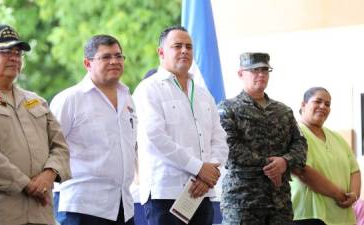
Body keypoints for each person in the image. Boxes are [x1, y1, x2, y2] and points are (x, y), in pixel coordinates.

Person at [0, 24, 71, 225]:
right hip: (1, 214)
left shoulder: (36, 101)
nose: (14, 57)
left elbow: (61, 147)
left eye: (18, 53)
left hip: (41, 214)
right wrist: (28, 185)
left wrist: (49, 175)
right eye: (5, 51)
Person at [132, 25, 228, 225]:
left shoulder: (203, 93)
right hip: (165, 193)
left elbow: (219, 138)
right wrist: (199, 168)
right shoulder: (148, 89)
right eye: (177, 46)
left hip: (201, 191)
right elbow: (155, 138)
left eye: (189, 47)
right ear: (161, 52)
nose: (185, 51)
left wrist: (208, 174)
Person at [50, 34, 137, 225]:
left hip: (123, 205)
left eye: (118, 56)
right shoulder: (70, 99)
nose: (114, 61)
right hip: (83, 206)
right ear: (87, 63)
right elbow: (48, 148)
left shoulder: (128, 98)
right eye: (106, 57)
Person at [218, 52, 307, 225]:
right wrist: (269, 164)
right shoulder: (227, 108)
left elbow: (300, 144)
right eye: (255, 70)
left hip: (279, 202)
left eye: (265, 70)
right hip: (242, 201)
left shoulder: (284, 111)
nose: (261, 74)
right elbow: (229, 147)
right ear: (240, 74)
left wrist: (285, 162)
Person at [290, 87, 361, 225]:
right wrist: (338, 195)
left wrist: (354, 195)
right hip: (310, 216)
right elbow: (303, 171)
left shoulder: (337, 138)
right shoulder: (294, 134)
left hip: (342, 217)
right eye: (318, 101)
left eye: (327, 104)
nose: (323, 106)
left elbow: (354, 170)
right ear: (303, 105)